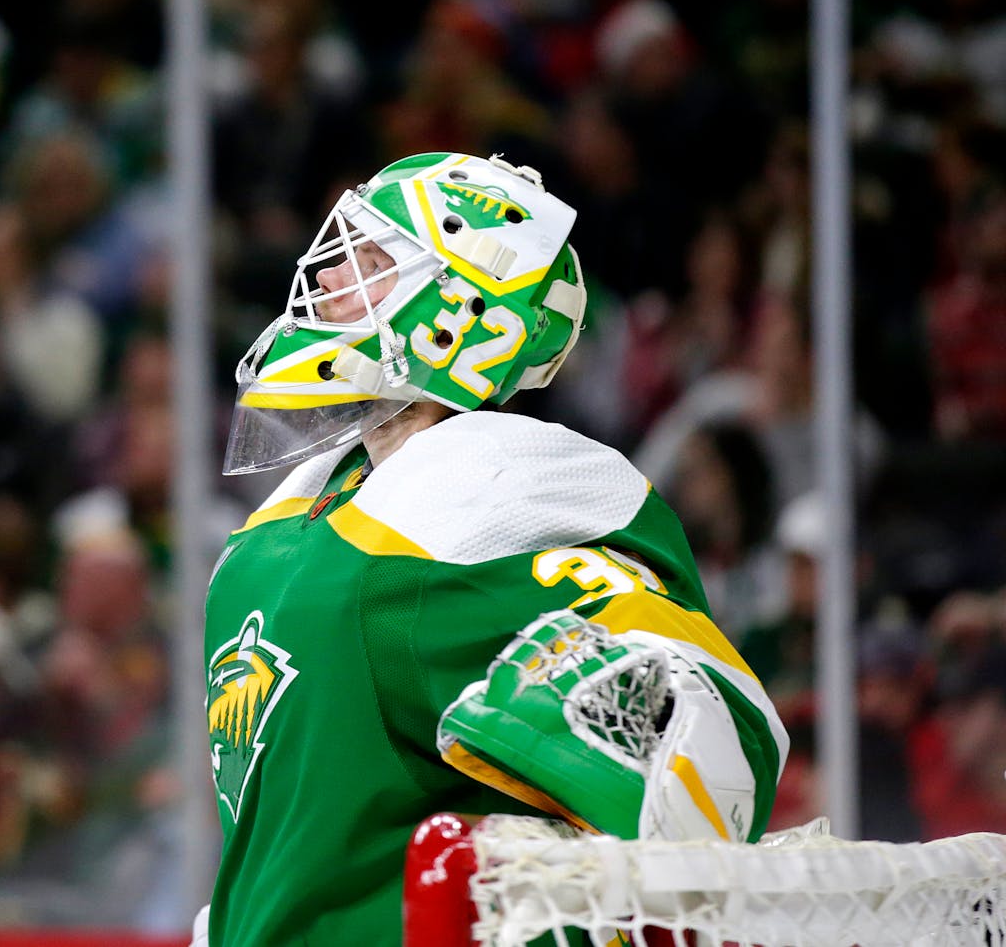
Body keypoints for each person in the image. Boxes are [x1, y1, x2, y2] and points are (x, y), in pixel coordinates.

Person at [197, 153, 789, 945]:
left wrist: (631, 722)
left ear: (461, 311)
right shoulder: (299, 511)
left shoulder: (480, 499)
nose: (331, 283)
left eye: (369, 263)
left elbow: (719, 744)